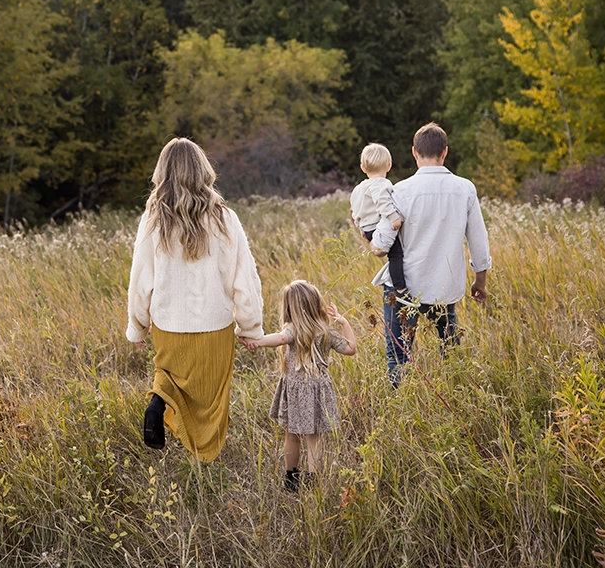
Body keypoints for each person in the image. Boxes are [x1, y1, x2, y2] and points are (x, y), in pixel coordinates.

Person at [127, 137, 264, 462]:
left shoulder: (153, 220)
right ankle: (205, 462)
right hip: (214, 330)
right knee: (210, 402)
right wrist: (251, 327)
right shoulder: (224, 219)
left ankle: (159, 401)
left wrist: (138, 326)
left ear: (162, 173)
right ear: (203, 170)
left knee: (169, 377)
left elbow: (140, 279)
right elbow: (244, 279)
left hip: (168, 328)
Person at [369, 123, 491, 387]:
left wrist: (366, 234)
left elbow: (380, 247)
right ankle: (456, 400)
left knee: (398, 356)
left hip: (403, 287)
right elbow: (479, 242)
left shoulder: (399, 191)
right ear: (444, 152)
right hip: (444, 286)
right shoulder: (465, 189)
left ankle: (397, 409)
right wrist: (480, 281)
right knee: (451, 352)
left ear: (414, 153)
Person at [240, 280, 356, 491]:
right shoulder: (325, 331)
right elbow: (351, 348)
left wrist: (257, 340)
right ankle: (313, 481)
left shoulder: (293, 330)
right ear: (315, 304)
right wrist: (344, 323)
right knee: (314, 438)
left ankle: (291, 479)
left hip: (295, 391)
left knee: (291, 435)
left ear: (289, 308)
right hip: (318, 390)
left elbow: (280, 338)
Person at [349, 143, 407, 300]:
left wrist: (362, 230)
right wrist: (393, 217)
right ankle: (400, 287)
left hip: (368, 230)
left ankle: (397, 285)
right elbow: (382, 201)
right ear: (389, 166)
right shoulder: (381, 183)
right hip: (378, 227)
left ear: (363, 168)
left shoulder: (358, 189)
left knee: (389, 254)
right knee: (396, 255)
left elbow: (355, 211)